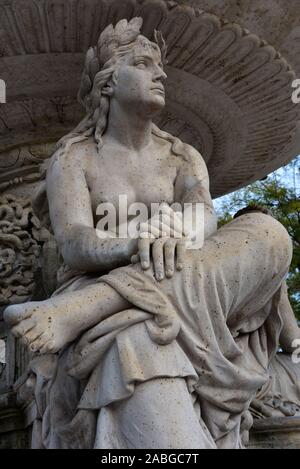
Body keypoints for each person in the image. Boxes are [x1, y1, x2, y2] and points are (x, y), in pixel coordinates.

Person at [3, 18, 297, 449]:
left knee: (268, 231)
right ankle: (108, 302)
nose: (160, 75)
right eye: (143, 64)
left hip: (191, 273)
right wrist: (137, 242)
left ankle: (85, 309)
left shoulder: (183, 157)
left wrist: (174, 233)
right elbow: (75, 244)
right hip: (123, 276)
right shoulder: (74, 157)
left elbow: (204, 221)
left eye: (159, 67)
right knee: (138, 333)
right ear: (107, 83)